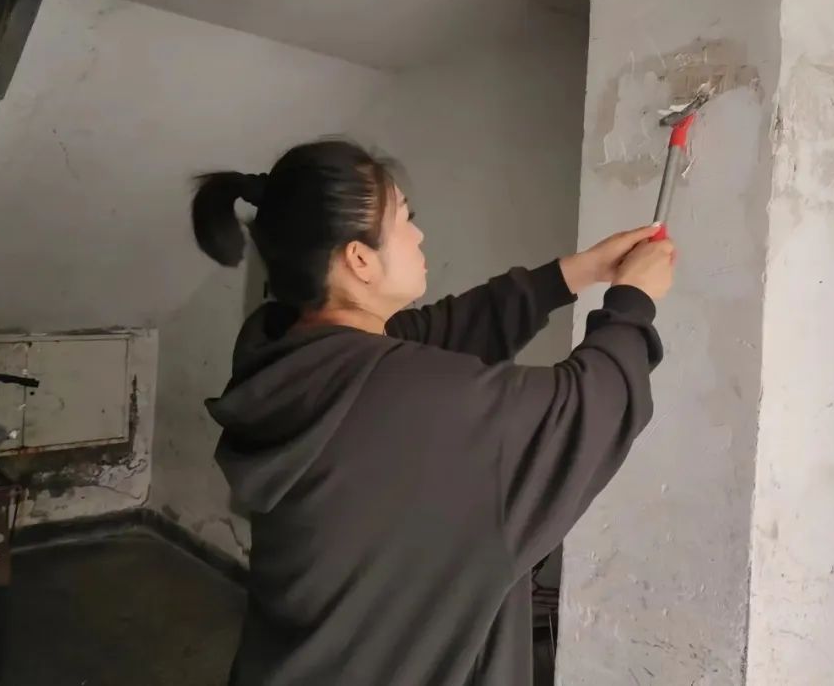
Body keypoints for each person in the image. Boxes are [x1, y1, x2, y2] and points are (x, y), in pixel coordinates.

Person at [192, 139, 675, 686]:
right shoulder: (425, 403)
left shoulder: (278, 350)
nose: (419, 235)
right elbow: (586, 410)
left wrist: (576, 272)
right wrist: (633, 303)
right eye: (406, 218)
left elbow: (437, 331)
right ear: (359, 259)